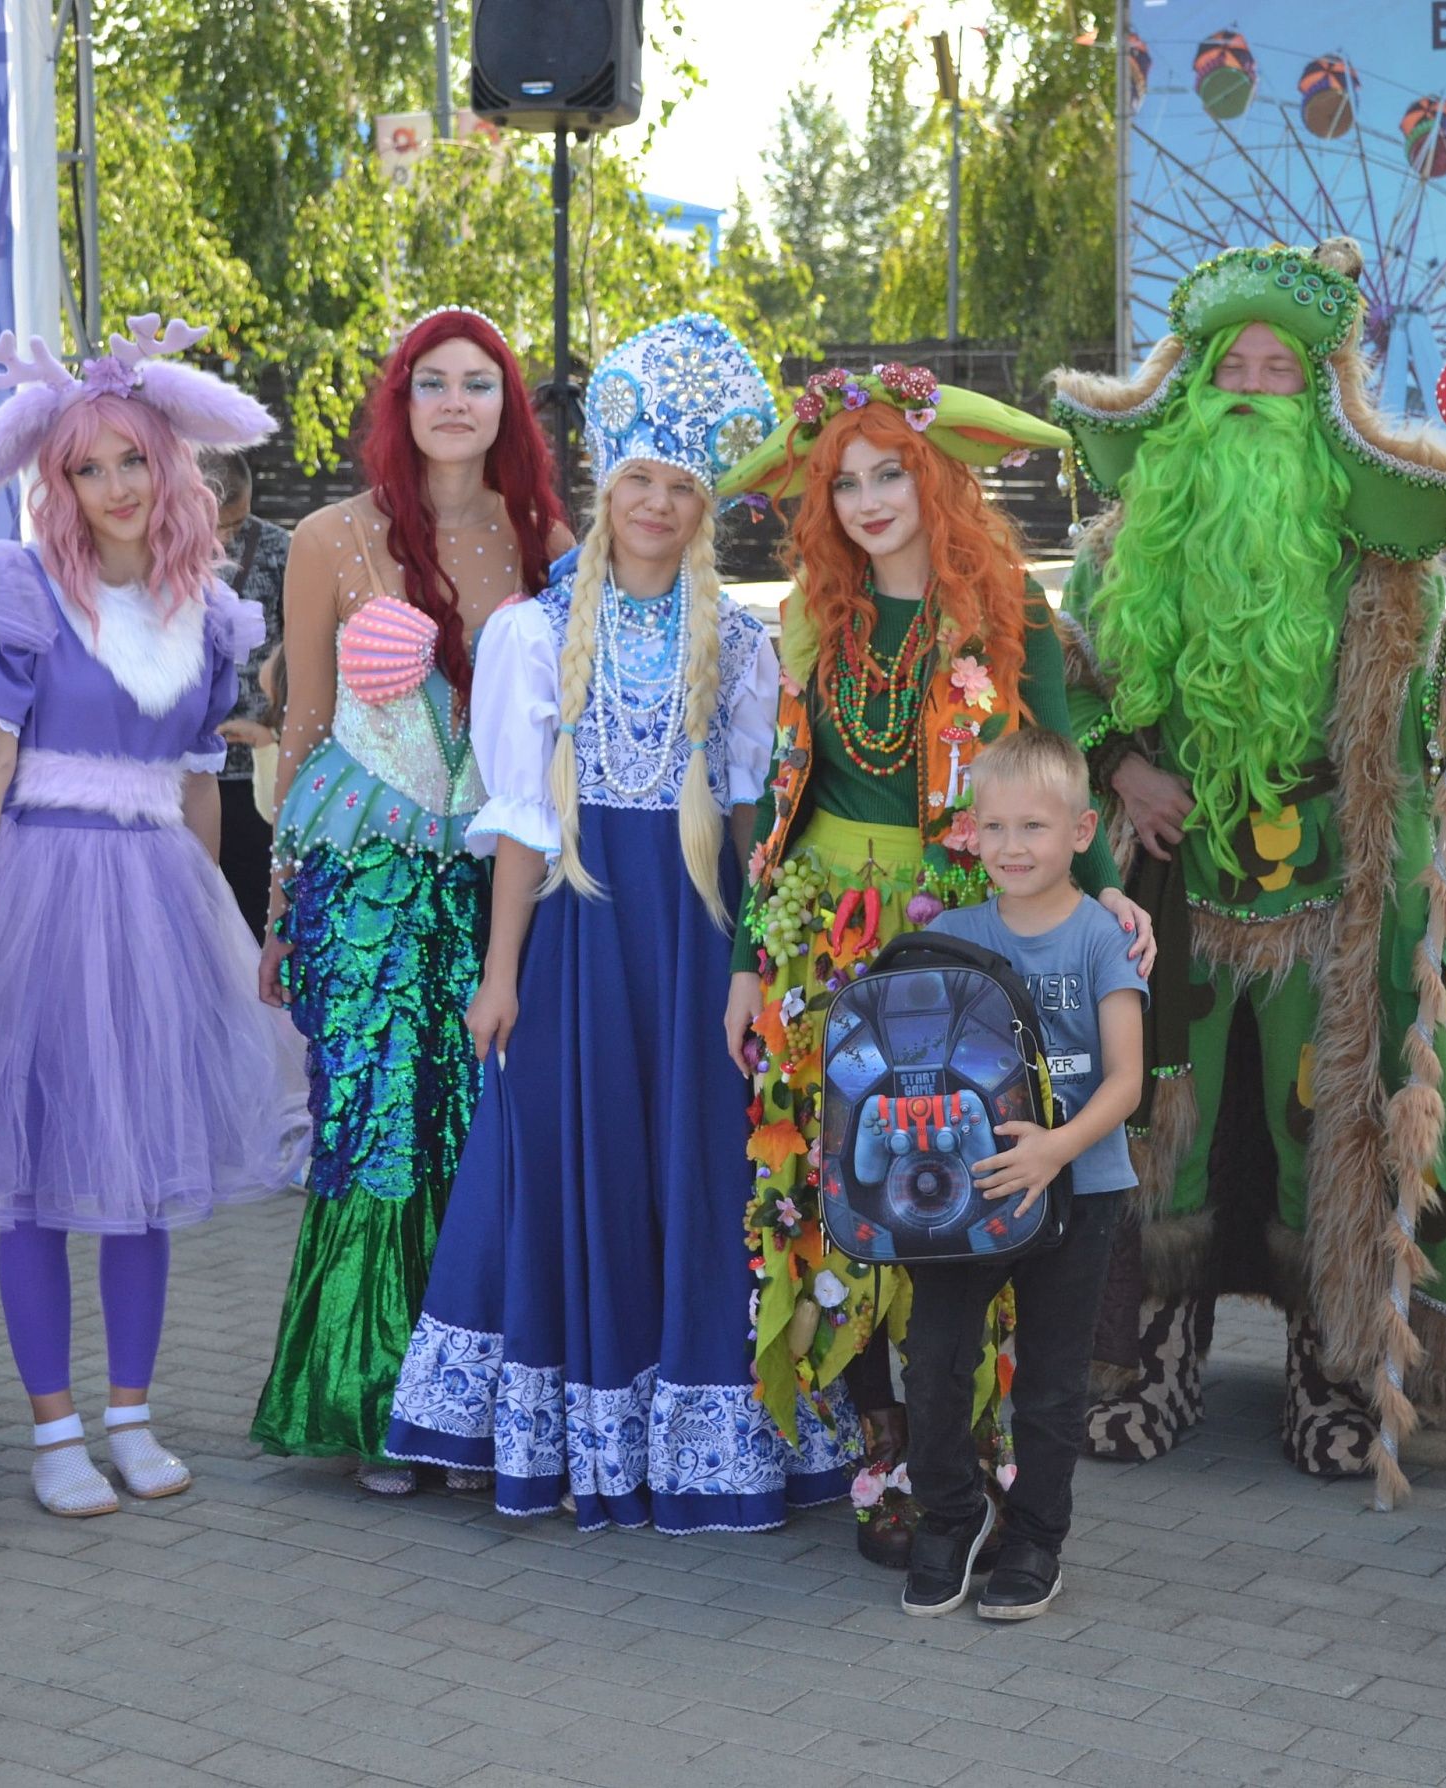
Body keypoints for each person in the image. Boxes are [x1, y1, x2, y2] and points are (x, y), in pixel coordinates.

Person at [1047, 240, 1446, 1491]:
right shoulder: (1117, 548)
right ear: (1190, 390)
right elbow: (1062, 691)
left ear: (1324, 397)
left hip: (1329, 901)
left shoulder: (1383, 562)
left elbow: (1438, 721)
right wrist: (1123, 766)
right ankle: (1151, 1358)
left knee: (1327, 1128)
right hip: (1168, 897)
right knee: (1164, 1124)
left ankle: (1335, 1366)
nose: (1253, 388)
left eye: (1281, 369)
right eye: (1230, 368)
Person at [0, 315, 308, 1518]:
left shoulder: (209, 615)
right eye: (86, 468)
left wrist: (216, 933)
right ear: (58, 482)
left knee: (143, 1173)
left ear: (170, 464)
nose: (114, 487)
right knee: (35, 1176)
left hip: (155, 903)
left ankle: (131, 1418)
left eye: (132, 460)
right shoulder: (24, 592)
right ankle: (55, 1434)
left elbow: (198, 785)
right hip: (38, 897)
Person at [385, 312, 838, 1530]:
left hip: (693, 947)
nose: (657, 505)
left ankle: (710, 1435)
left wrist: (756, 962)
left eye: (681, 488)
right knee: (565, 1162)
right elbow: (522, 827)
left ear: (705, 508)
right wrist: (501, 975)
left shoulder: (738, 642)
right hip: (579, 944)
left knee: (700, 1167)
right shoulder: (531, 634)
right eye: (640, 480)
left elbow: (751, 823)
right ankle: (573, 1432)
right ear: (606, 486)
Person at [714, 366, 1154, 1562]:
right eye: (843, 483)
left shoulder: (1010, 608)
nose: (866, 502)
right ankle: (884, 1451)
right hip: (819, 942)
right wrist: (751, 960)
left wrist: (1102, 885)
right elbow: (781, 797)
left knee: (959, 1176)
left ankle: (968, 1450)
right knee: (842, 1185)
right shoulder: (815, 614)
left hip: (958, 935)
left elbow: (1055, 762)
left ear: (935, 477)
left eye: (889, 474)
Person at [250, 307, 570, 1494]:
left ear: (505, 406)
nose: (454, 403)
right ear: (400, 400)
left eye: (478, 383)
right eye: (432, 381)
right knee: (380, 1124)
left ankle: (473, 1405)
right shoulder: (330, 538)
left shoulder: (545, 537)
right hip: (368, 887)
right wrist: (281, 909)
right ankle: (374, 1403)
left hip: (499, 881)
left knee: (486, 1124)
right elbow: (303, 724)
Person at [902, 728, 1145, 1619]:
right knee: (934, 1359)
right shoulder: (950, 935)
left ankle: (1037, 1537)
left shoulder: (1103, 939)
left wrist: (1054, 1147)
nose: (1012, 847)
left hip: (1081, 1186)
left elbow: (1126, 1081)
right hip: (970, 1193)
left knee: (1051, 1379)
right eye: (995, 827)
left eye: (1034, 827)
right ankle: (953, 1514)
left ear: (1082, 831)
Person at [202, 450, 290, 940]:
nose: (227, 538)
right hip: (184, 768)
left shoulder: (280, 550)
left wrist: (272, 729)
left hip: (256, 767)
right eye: (218, 526)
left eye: (237, 523)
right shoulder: (154, 549)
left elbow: (302, 655)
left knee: (256, 914)